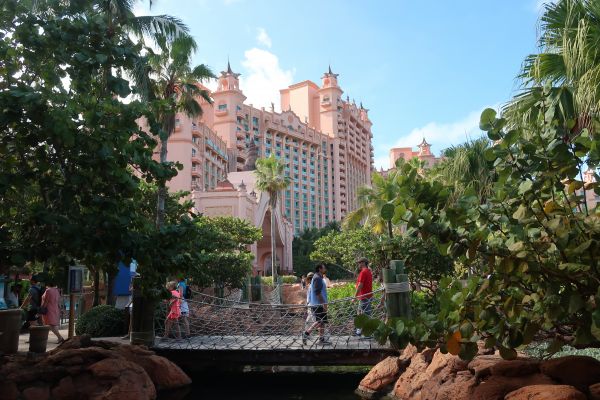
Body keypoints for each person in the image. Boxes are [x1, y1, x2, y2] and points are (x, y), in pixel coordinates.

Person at [302, 265, 330, 344]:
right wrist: (324, 303)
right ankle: (306, 333)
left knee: (322, 322)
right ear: (320, 269)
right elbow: (317, 293)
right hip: (318, 304)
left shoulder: (318, 278)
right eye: (324, 267)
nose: (325, 269)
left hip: (317, 304)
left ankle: (321, 339)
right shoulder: (317, 278)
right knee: (320, 321)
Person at [354, 257, 373, 337]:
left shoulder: (364, 272)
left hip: (364, 297)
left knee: (366, 315)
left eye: (359, 262)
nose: (358, 264)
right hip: (366, 296)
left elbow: (360, 285)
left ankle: (367, 334)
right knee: (360, 313)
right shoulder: (368, 271)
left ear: (363, 263)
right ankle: (359, 331)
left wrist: (354, 297)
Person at [301, 272, 315, 344]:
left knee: (309, 320)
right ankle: (306, 334)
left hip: (310, 305)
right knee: (319, 321)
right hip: (313, 305)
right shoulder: (312, 286)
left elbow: (308, 297)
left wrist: (307, 304)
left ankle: (306, 334)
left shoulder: (310, 286)